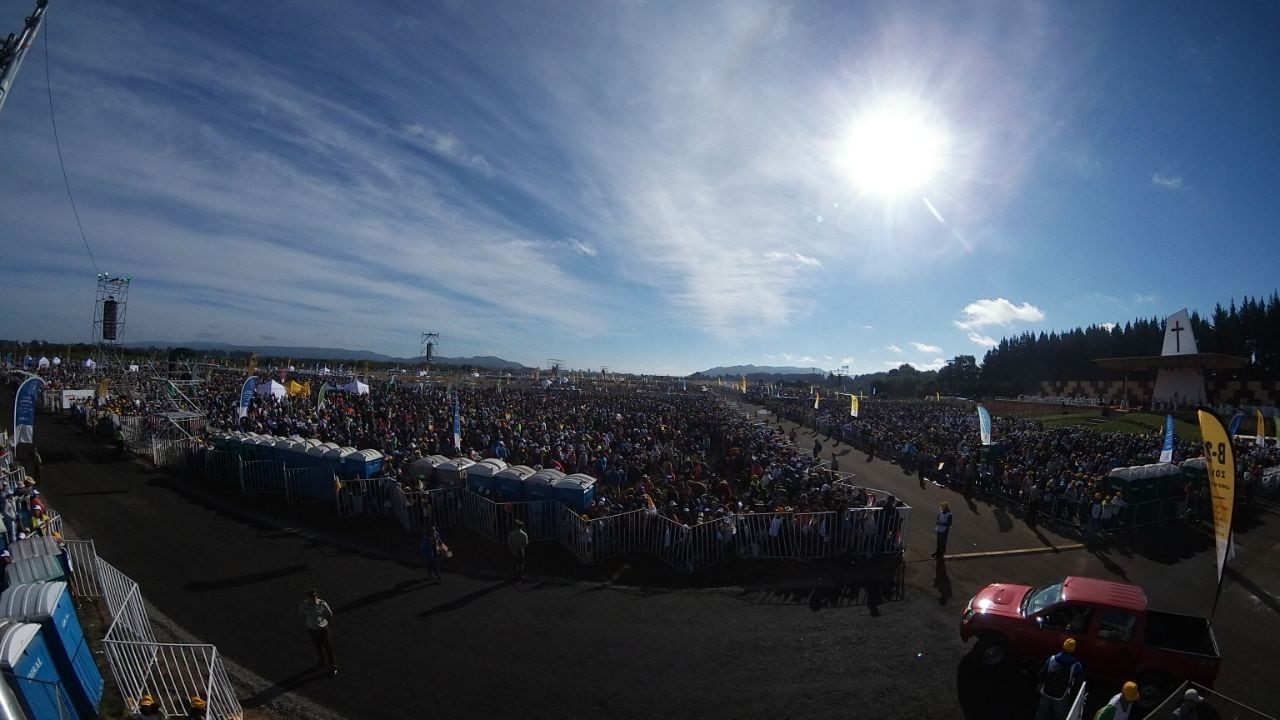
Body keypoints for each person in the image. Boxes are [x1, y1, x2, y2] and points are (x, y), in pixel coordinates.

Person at [1036, 638, 1084, 720]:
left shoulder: (1051, 659)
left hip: (1046, 692)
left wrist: (1039, 684)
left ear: (1063, 647)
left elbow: (1042, 673)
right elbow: (1079, 681)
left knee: (1041, 713)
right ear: (1073, 650)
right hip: (1061, 695)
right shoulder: (1076, 665)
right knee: (1061, 715)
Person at [298, 589, 338, 676]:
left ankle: (332, 666)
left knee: (328, 648)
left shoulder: (322, 604)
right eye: (311, 597)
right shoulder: (303, 605)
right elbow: (301, 615)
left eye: (314, 596)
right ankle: (322, 662)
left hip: (323, 629)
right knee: (318, 647)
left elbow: (329, 614)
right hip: (312, 630)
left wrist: (323, 622)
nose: (313, 598)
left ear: (316, 596)